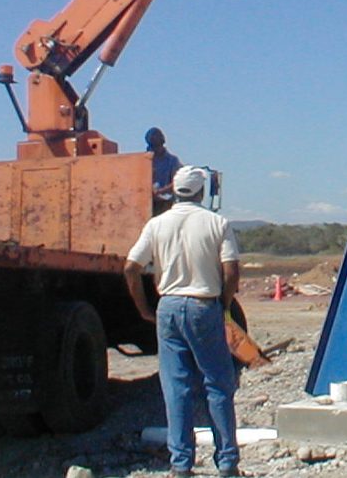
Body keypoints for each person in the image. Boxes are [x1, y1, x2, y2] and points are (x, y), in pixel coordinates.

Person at [124, 165, 241, 478]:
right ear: (201, 192)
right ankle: (227, 462)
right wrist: (225, 304)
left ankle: (181, 464)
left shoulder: (157, 225)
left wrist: (144, 309)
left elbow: (131, 267)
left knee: (176, 387)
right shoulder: (217, 223)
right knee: (217, 383)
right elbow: (230, 270)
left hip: (169, 306)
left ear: (174, 190)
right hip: (204, 305)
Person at [146, 127, 182, 215]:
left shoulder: (172, 161)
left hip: (166, 204)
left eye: (156, 146)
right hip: (146, 202)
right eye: (152, 147)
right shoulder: (145, 160)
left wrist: (160, 191)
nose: (154, 149)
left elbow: (177, 182)